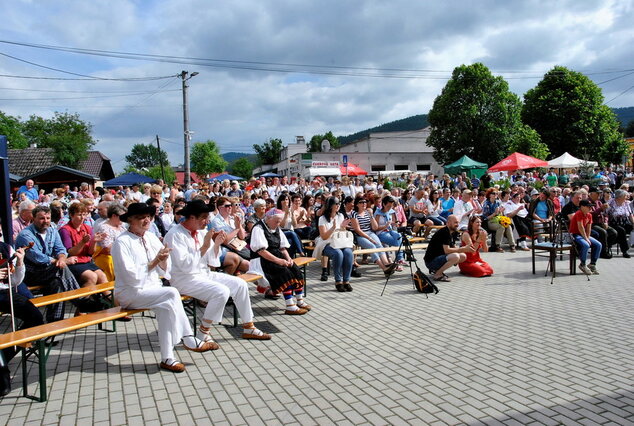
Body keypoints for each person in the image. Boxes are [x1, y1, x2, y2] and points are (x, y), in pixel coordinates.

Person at [112, 203, 216, 373]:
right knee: (171, 293)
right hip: (130, 293)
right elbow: (130, 276)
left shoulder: (151, 237)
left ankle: (168, 358)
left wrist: (163, 259)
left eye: (148, 217)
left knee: (167, 308)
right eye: (140, 217)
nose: (146, 220)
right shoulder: (122, 242)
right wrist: (155, 261)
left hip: (153, 289)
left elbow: (164, 269)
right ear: (130, 220)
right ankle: (188, 338)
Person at [165, 200, 271, 342]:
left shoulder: (201, 232)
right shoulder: (174, 234)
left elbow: (211, 261)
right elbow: (185, 265)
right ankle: (203, 333)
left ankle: (248, 326)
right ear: (191, 217)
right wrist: (205, 246)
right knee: (221, 291)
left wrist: (216, 245)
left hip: (203, 274)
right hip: (184, 278)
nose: (207, 221)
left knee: (240, 285)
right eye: (204, 217)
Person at [15, 206, 87, 322]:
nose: (46, 221)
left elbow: (61, 249)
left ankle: (55, 323)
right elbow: (37, 257)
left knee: (57, 284)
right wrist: (61, 261)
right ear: (34, 218)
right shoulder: (25, 235)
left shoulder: (52, 230)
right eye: (42, 218)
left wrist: (62, 258)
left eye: (48, 218)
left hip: (48, 271)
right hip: (30, 274)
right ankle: (80, 300)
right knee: (60, 269)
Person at [0, 244, 44, 397]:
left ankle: (4, 356)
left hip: (5, 293)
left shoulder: (5, 249)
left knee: (36, 318)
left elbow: (15, 281)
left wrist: (19, 263)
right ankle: (2, 371)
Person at [250, 209, 312, 314]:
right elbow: (261, 251)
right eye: (277, 221)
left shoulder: (276, 228)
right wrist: (279, 261)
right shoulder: (258, 228)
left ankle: (300, 301)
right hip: (261, 260)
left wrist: (288, 259)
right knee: (285, 273)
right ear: (268, 218)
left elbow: (283, 248)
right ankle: (290, 306)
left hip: (275, 257)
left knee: (295, 269)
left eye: (279, 221)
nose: (278, 224)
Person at [58, 202, 109, 288]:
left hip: (86, 260)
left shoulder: (87, 228)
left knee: (102, 276)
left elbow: (90, 253)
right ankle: (83, 300)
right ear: (71, 215)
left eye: (84, 215)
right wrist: (82, 242)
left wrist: (94, 242)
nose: (83, 218)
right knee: (92, 277)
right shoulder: (65, 230)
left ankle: (110, 300)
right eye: (79, 215)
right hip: (74, 262)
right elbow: (71, 253)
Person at [350, 197, 395, 276]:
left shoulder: (367, 212)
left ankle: (386, 263)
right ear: (357, 204)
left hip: (370, 232)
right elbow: (357, 230)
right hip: (360, 235)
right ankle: (384, 268)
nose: (364, 204)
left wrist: (371, 215)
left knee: (379, 245)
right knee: (372, 246)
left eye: (365, 202)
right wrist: (369, 238)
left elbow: (375, 227)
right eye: (361, 202)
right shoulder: (354, 214)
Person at [317, 197, 354, 292]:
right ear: (330, 205)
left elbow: (342, 233)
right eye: (336, 204)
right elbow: (324, 237)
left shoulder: (340, 216)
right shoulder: (322, 219)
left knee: (348, 253)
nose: (338, 206)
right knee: (338, 254)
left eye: (339, 203)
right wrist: (333, 228)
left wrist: (343, 227)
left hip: (339, 242)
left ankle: (346, 281)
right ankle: (338, 281)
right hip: (326, 243)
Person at [423, 215, 474, 282]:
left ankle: (437, 270)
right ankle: (437, 274)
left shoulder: (453, 232)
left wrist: (467, 248)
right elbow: (447, 250)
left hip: (440, 257)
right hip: (431, 261)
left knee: (463, 256)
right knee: (455, 256)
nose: (457, 225)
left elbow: (453, 247)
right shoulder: (444, 232)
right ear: (448, 223)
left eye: (458, 223)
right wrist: (463, 249)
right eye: (455, 222)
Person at [93, 204, 127, 281]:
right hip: (108, 257)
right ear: (114, 216)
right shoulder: (104, 227)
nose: (124, 219)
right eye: (122, 217)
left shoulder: (122, 227)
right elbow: (107, 249)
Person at [570, 200, 602, 275]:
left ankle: (592, 264)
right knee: (586, 245)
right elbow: (580, 226)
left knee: (598, 245)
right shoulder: (579, 213)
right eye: (588, 206)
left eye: (591, 206)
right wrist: (586, 238)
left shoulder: (589, 215)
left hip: (583, 235)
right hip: (575, 234)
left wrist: (587, 237)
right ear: (582, 206)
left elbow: (589, 227)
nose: (590, 208)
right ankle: (582, 264)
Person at [608, 189, 633, 258]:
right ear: (619, 197)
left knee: (628, 229)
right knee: (622, 231)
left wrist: (633, 223)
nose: (626, 197)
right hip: (613, 222)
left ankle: (614, 242)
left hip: (624, 222)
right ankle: (624, 251)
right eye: (625, 196)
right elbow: (606, 213)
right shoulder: (611, 202)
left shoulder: (626, 203)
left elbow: (630, 214)